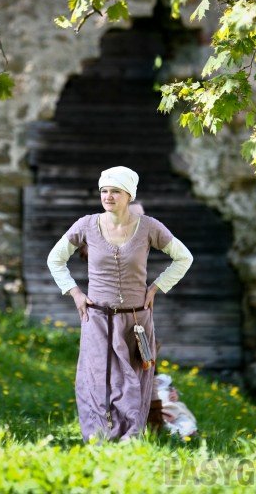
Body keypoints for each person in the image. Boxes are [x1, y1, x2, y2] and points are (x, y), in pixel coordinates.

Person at [47, 166, 193, 442]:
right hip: (97, 318)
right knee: (95, 379)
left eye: (115, 191)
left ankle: (129, 438)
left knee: (132, 380)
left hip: (135, 320)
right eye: (104, 191)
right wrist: (74, 292)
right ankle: (98, 438)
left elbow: (184, 257)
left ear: (129, 195)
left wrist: (157, 287)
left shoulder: (149, 227)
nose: (108, 196)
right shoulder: (86, 225)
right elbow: (55, 259)